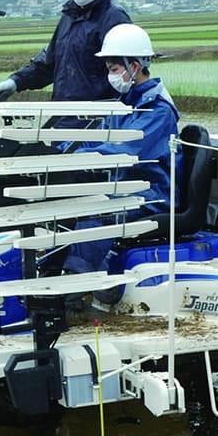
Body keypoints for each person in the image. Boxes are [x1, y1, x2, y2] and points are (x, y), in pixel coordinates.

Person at [61, 23, 181, 278]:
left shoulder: (157, 111)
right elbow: (97, 140)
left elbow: (123, 150)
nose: (110, 76)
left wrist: (78, 159)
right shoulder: (125, 105)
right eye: (108, 69)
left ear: (134, 67)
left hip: (152, 193)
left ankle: (73, 289)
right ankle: (56, 272)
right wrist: (62, 151)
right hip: (123, 186)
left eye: (114, 69)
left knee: (97, 215)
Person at [0, 0, 132, 115]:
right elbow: (48, 63)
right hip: (62, 115)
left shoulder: (114, 18)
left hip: (98, 120)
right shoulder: (69, 16)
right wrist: (16, 81)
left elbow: (126, 74)